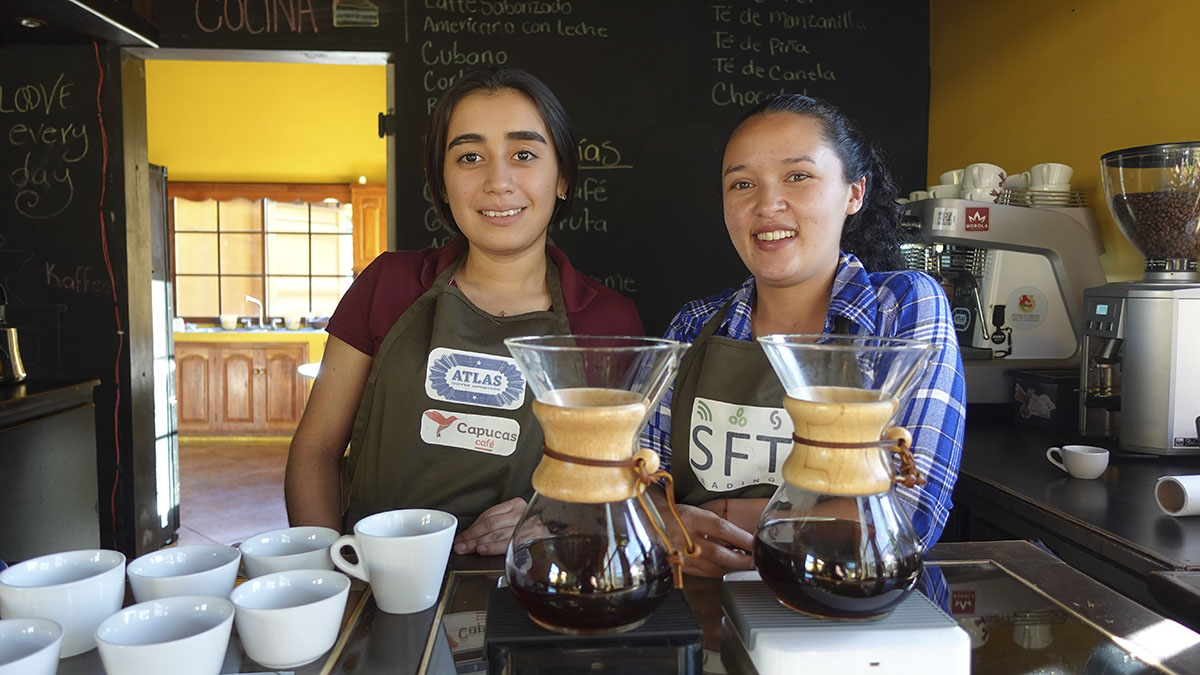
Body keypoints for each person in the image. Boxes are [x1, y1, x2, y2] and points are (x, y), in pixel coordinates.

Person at [285, 67, 643, 556]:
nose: (498, 181)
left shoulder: (610, 322)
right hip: (374, 579)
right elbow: (316, 450)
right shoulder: (386, 286)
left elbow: (616, 483)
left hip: (535, 583)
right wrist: (330, 574)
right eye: (470, 157)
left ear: (561, 177)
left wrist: (559, 514)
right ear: (442, 181)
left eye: (524, 154)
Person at [643, 94, 965, 577]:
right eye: (742, 184)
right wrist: (663, 520)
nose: (767, 204)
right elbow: (640, 481)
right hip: (695, 599)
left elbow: (908, 515)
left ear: (854, 193)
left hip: (844, 605)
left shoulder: (903, 308)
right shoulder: (693, 325)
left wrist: (727, 519)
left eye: (798, 176)